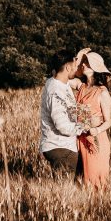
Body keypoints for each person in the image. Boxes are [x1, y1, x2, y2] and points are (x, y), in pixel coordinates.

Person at [39, 48, 90, 176]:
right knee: (66, 191)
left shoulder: (60, 82)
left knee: (74, 188)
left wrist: (78, 58)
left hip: (64, 147)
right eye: (74, 66)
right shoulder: (56, 92)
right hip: (60, 148)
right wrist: (86, 126)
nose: (76, 69)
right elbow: (62, 126)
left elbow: (71, 110)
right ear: (67, 68)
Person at [70, 52, 111, 189]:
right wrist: (78, 61)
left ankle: (99, 207)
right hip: (79, 138)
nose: (84, 65)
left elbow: (108, 122)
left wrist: (96, 130)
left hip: (96, 139)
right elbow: (63, 76)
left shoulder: (102, 92)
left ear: (96, 67)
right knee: (80, 180)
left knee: (95, 180)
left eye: (87, 63)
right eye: (84, 63)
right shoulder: (80, 86)